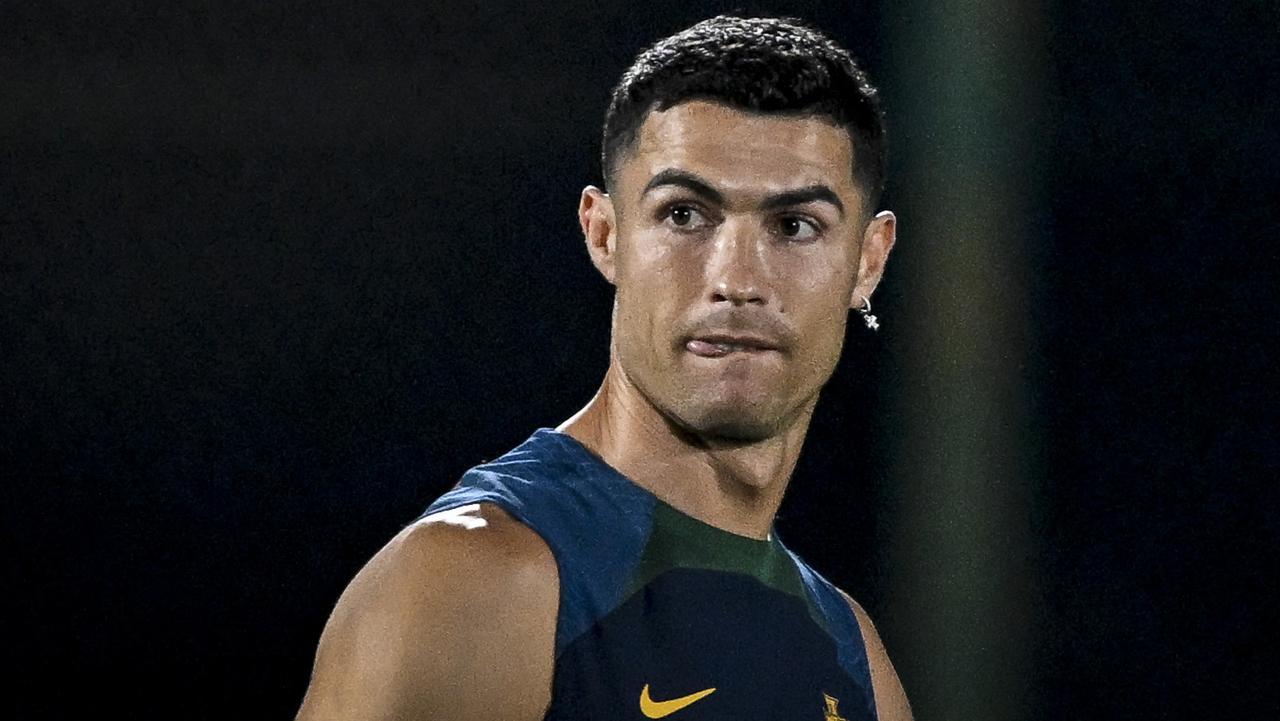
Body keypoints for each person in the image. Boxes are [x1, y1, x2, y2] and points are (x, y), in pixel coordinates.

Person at [296, 14, 909, 721]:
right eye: (685, 215)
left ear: (868, 260)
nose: (737, 278)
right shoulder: (477, 585)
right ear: (605, 233)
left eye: (794, 225)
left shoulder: (853, 659)